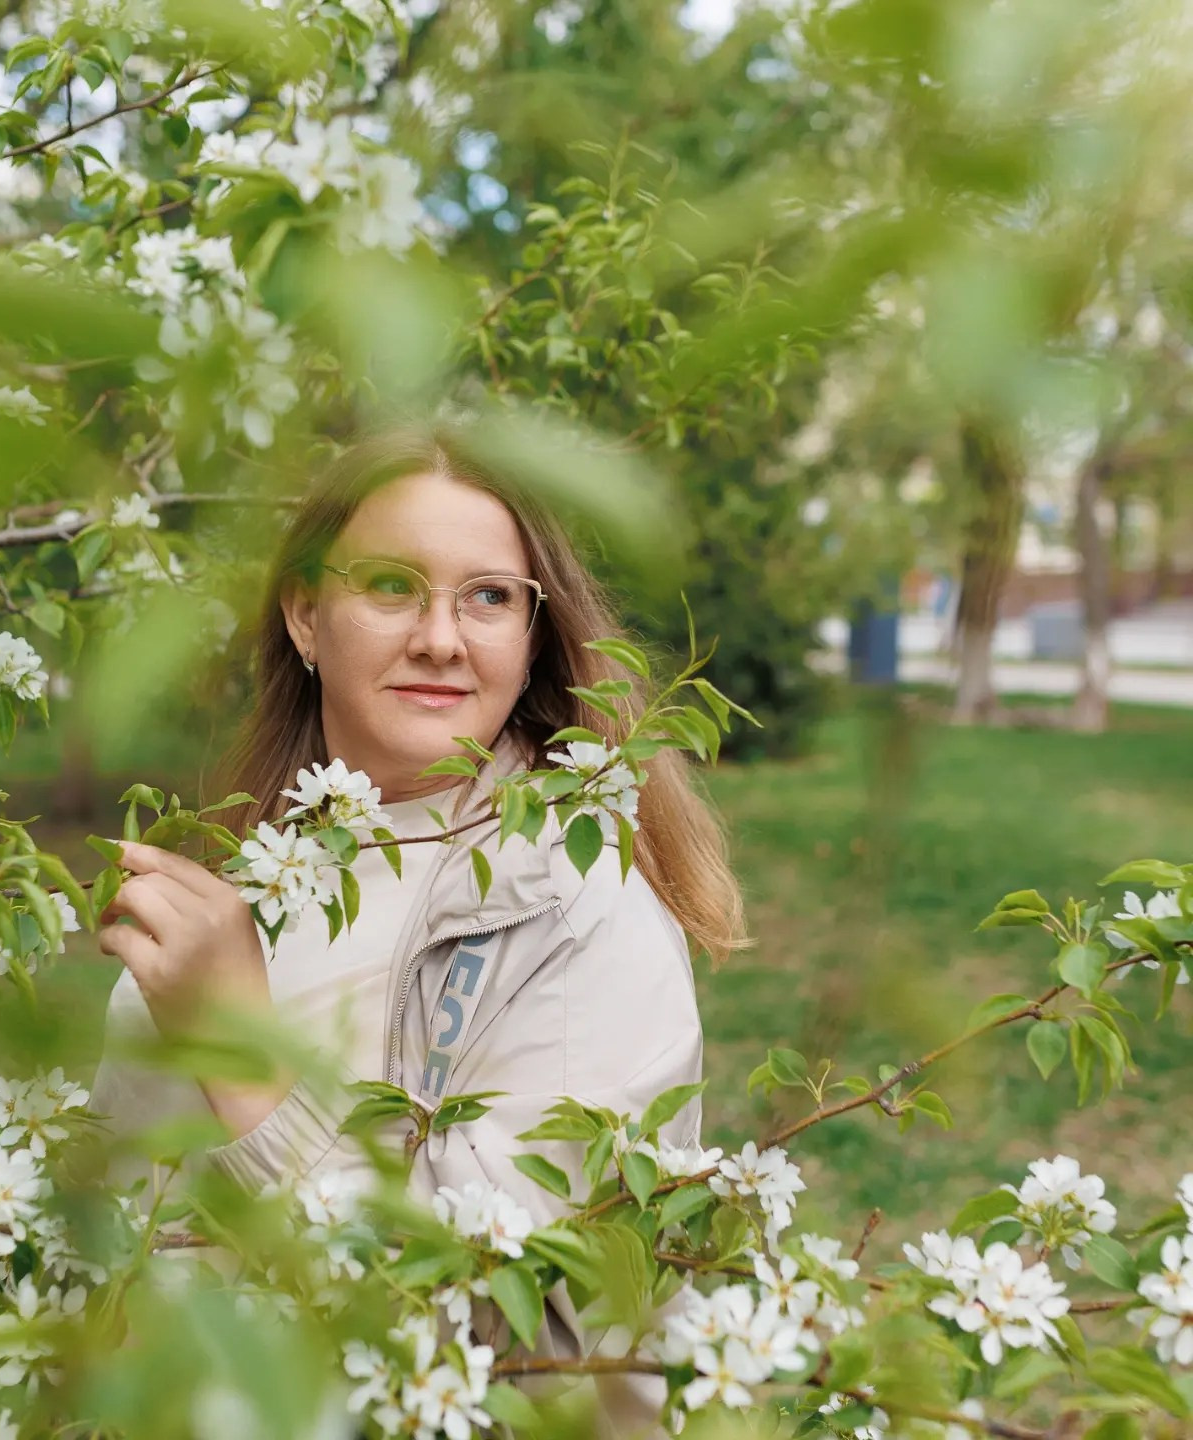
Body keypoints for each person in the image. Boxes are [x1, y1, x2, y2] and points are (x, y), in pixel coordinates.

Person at [89, 424, 743, 1435]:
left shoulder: (572, 904)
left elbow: (523, 1340)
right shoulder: (248, 872)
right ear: (305, 614)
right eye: (392, 585)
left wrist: (239, 1052)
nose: (441, 637)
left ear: (533, 638)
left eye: (488, 597)